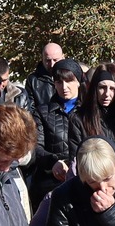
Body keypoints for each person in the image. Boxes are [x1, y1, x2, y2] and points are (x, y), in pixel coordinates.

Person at [28, 59, 86, 204]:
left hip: (84, 179)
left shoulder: (88, 112)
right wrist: (53, 162)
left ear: (78, 81)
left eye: (69, 81)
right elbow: (35, 146)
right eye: (59, 82)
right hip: (51, 181)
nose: (64, 87)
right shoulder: (42, 112)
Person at [74, 64, 115, 161]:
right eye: (102, 87)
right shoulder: (79, 118)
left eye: (112, 89)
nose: (107, 94)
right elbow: (77, 157)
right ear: (94, 89)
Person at [23, 43, 65, 114]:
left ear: (63, 57)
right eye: (48, 61)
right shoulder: (33, 80)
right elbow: (30, 109)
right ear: (42, 59)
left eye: (55, 60)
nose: (52, 64)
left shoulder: (71, 76)